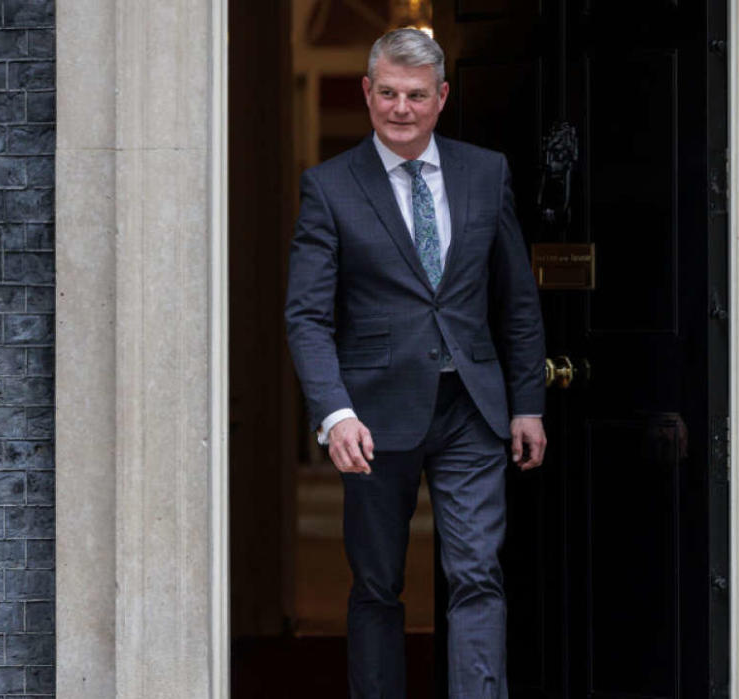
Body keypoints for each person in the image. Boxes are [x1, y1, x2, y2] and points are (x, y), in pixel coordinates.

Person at [284, 27, 547, 699]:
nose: (402, 108)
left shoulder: (487, 173)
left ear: (442, 97)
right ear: (367, 92)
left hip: (471, 408)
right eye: (390, 94)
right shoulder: (330, 187)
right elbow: (307, 315)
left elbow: (515, 300)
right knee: (376, 585)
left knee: (477, 573)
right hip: (372, 417)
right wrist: (335, 412)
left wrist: (527, 402)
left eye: (418, 96)